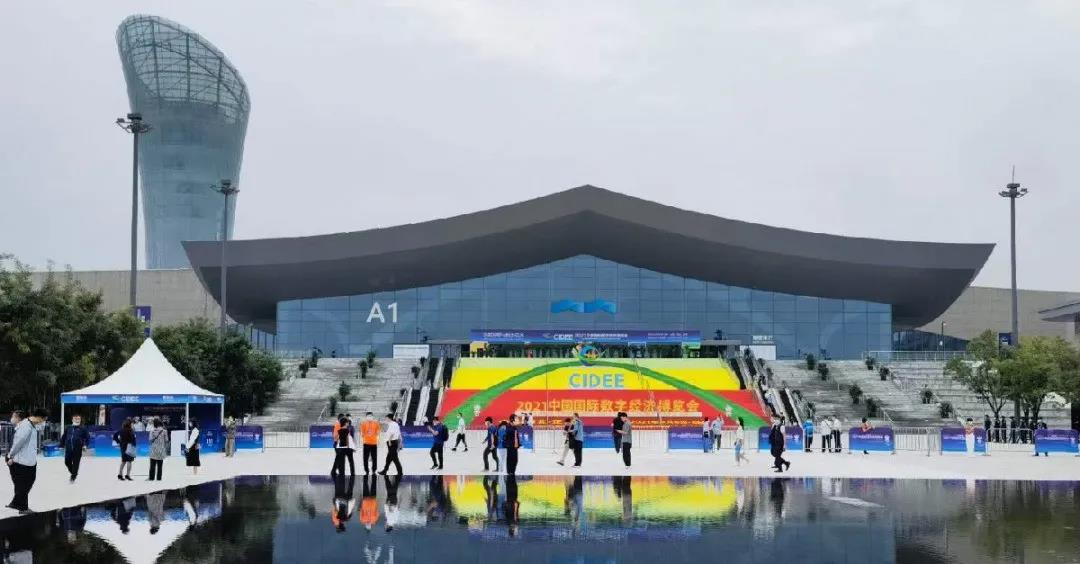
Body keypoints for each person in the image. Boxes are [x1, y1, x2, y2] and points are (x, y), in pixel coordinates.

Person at [5, 409, 46, 514]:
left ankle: (16, 503)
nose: (43, 422)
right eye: (43, 420)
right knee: (23, 485)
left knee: (24, 484)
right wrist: (10, 456)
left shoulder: (33, 424)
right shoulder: (26, 426)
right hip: (20, 461)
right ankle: (22, 508)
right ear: (39, 418)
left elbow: (41, 428)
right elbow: (18, 443)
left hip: (29, 461)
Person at [60, 413, 90, 483]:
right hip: (69, 448)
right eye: (75, 418)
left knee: (76, 463)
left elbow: (87, 438)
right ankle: (74, 473)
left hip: (78, 448)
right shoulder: (68, 427)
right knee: (67, 462)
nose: (77, 420)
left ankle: (73, 477)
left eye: (78, 419)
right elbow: (64, 437)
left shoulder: (83, 428)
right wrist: (61, 445)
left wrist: (85, 445)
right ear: (72, 419)